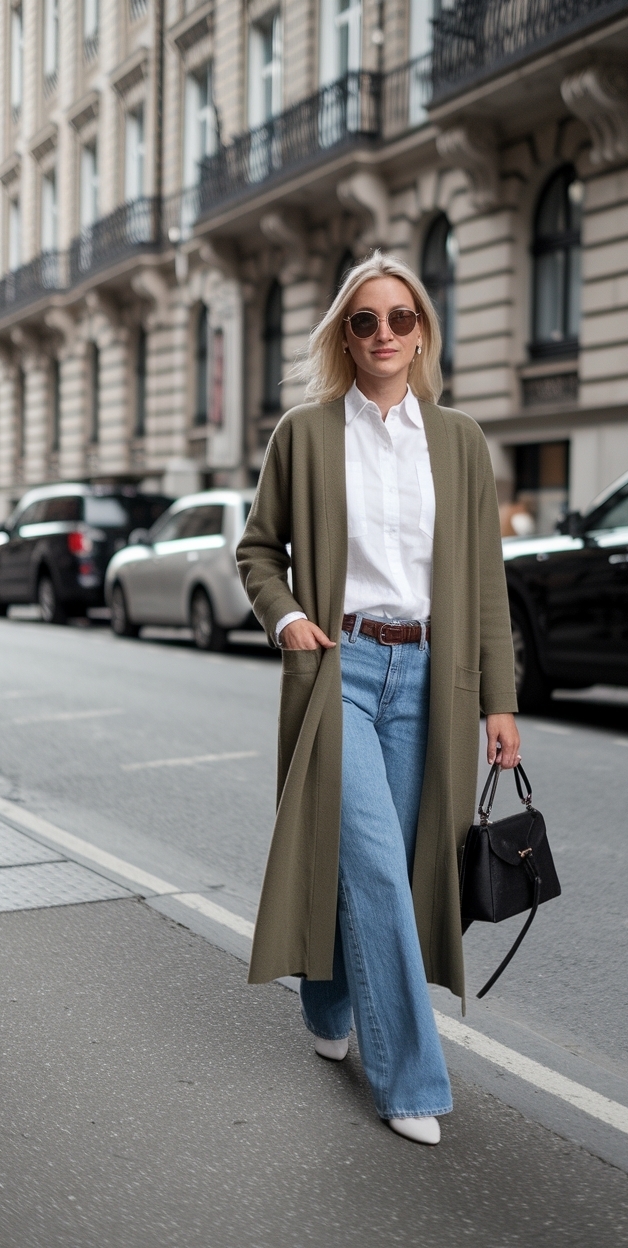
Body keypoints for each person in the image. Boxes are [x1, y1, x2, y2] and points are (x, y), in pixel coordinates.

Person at [237, 252, 520, 1146]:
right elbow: (256, 551)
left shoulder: (462, 442)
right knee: (369, 863)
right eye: (365, 321)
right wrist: (287, 621)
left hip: (431, 680)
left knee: (380, 867)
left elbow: (483, 585)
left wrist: (499, 703)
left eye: (401, 318)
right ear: (344, 336)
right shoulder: (307, 433)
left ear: (423, 331)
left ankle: (327, 1001)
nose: (385, 334)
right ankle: (411, 1079)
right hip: (340, 671)